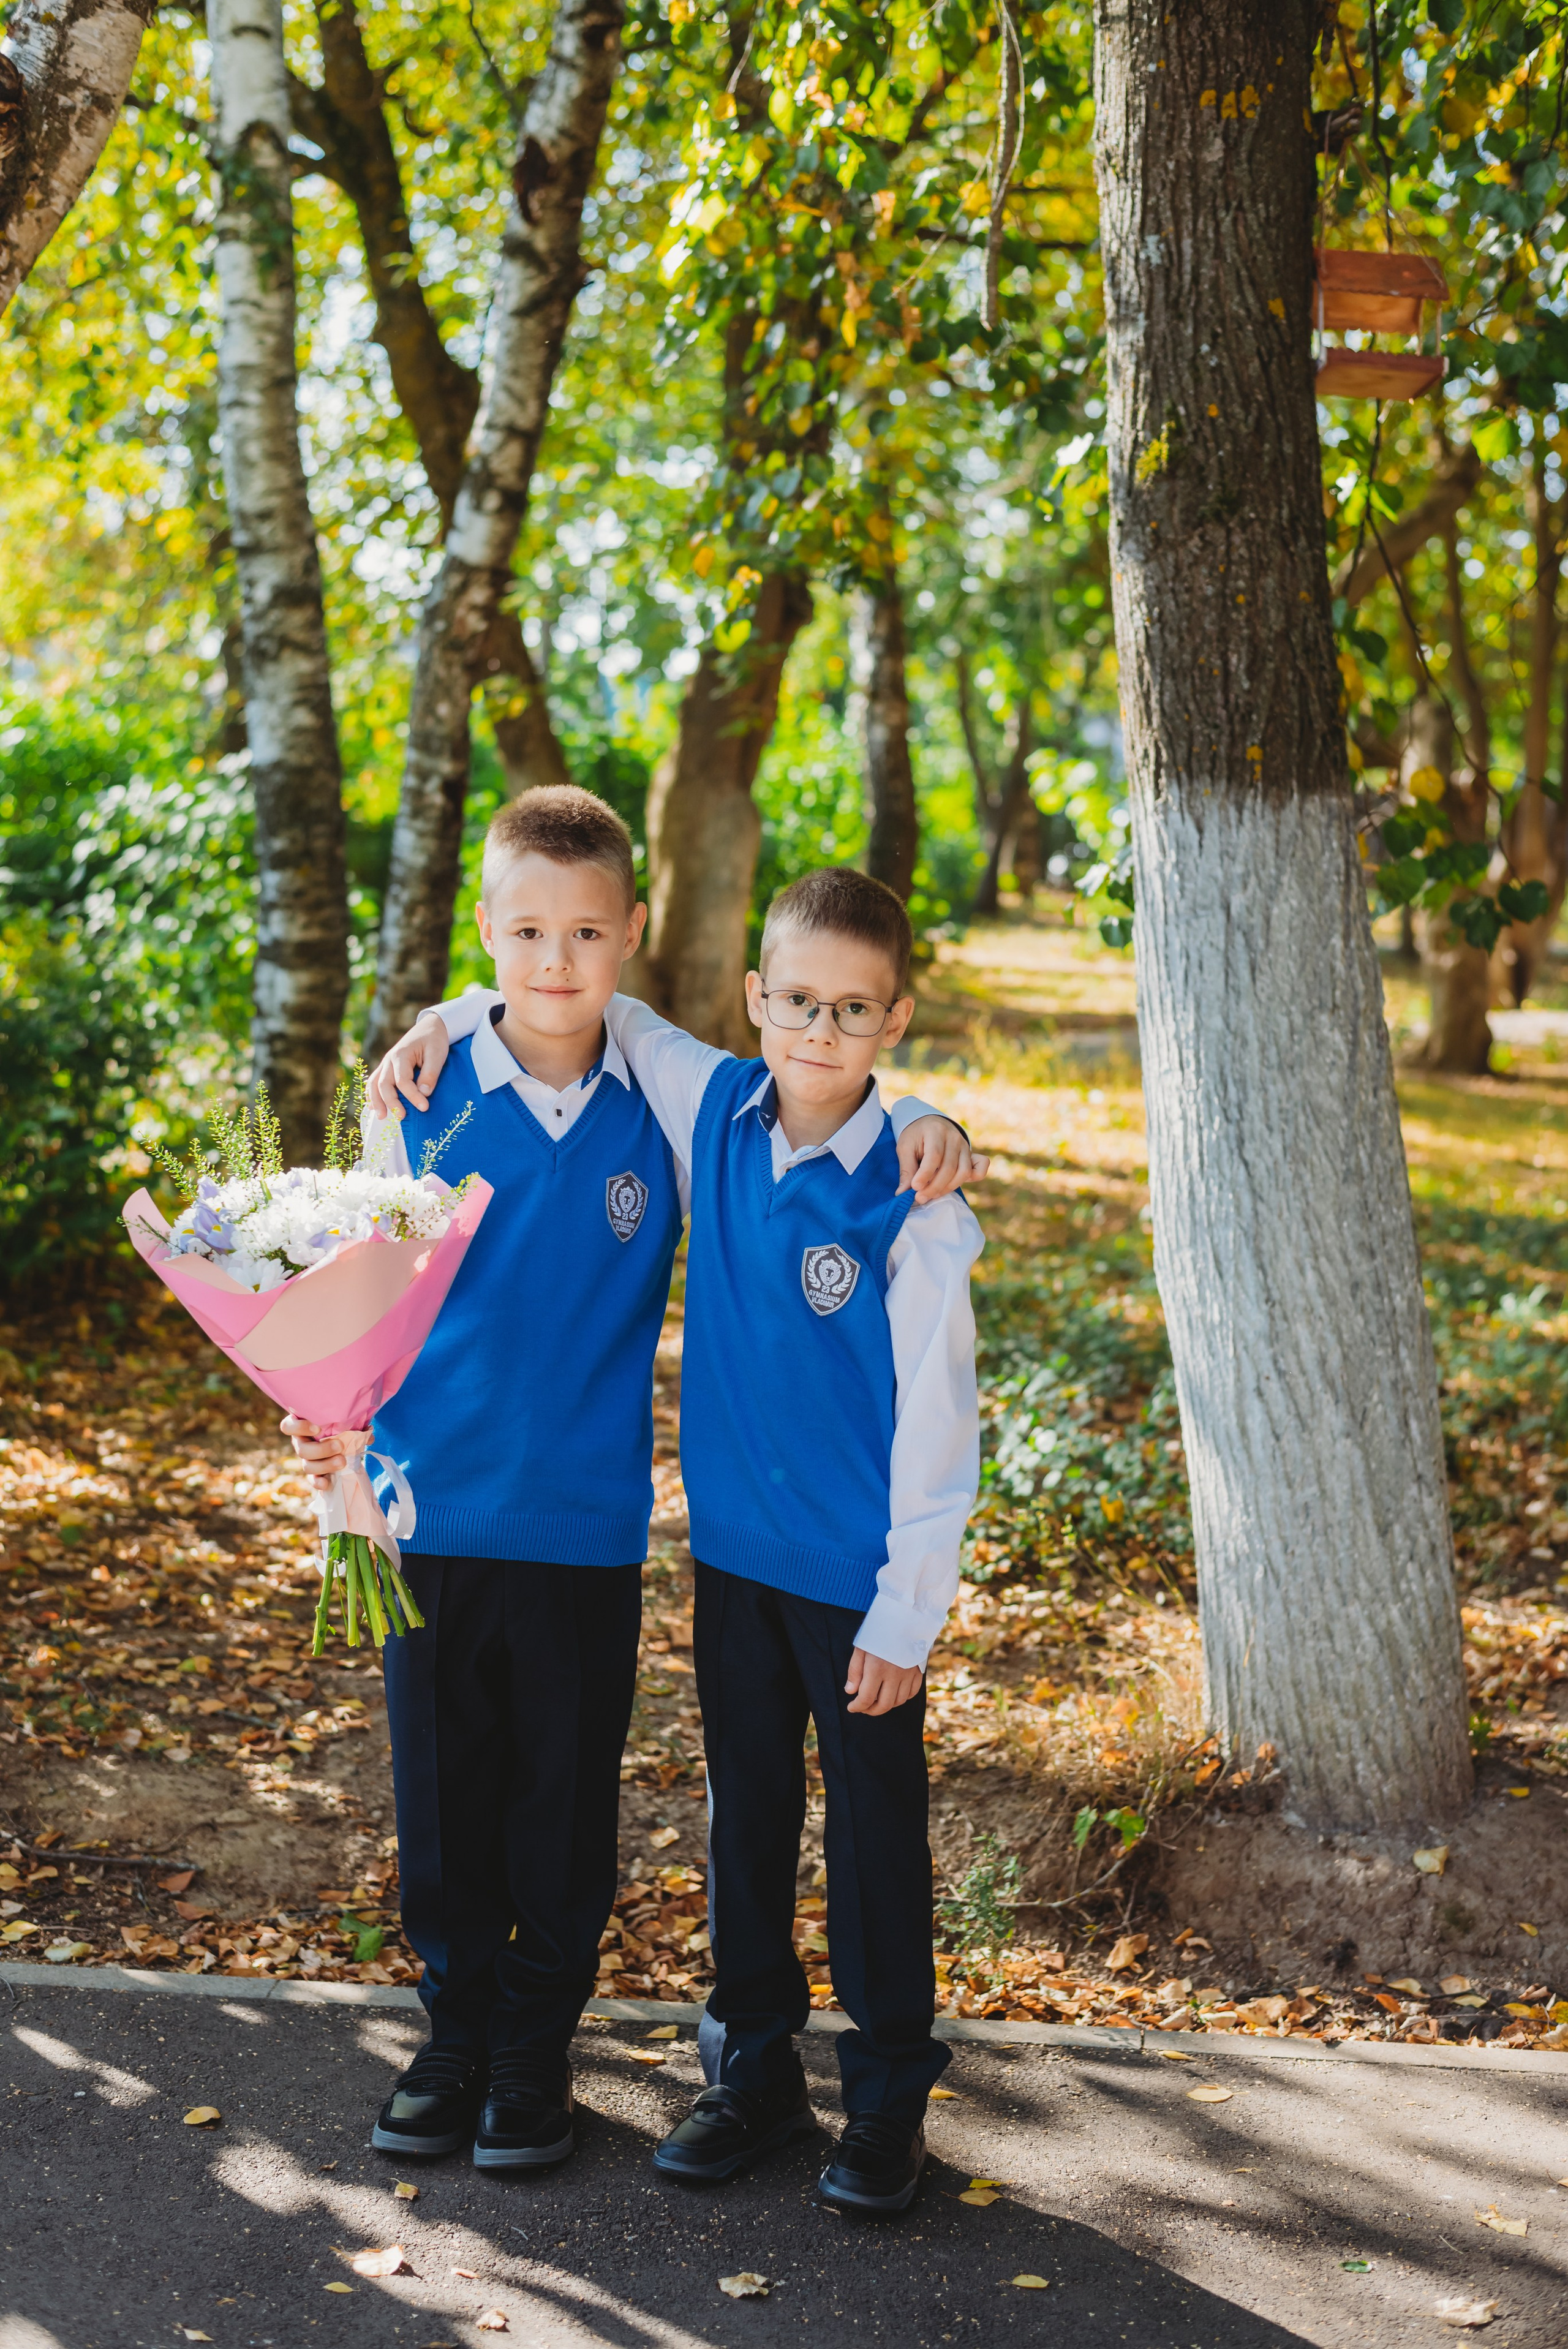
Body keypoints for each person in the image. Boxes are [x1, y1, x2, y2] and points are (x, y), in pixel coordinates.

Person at [288, 791, 978, 2176]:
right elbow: (365, 1292)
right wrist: (332, 1459)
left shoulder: (743, 1128)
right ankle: (539, 2044)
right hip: (519, 1528)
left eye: (588, 933)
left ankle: (818, 2083)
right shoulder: (504, 1098)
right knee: (562, 1812)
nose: (555, 958)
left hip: (706, 1551)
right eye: (527, 932)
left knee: (666, 1817)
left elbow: (936, 1405)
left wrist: (932, 1117)